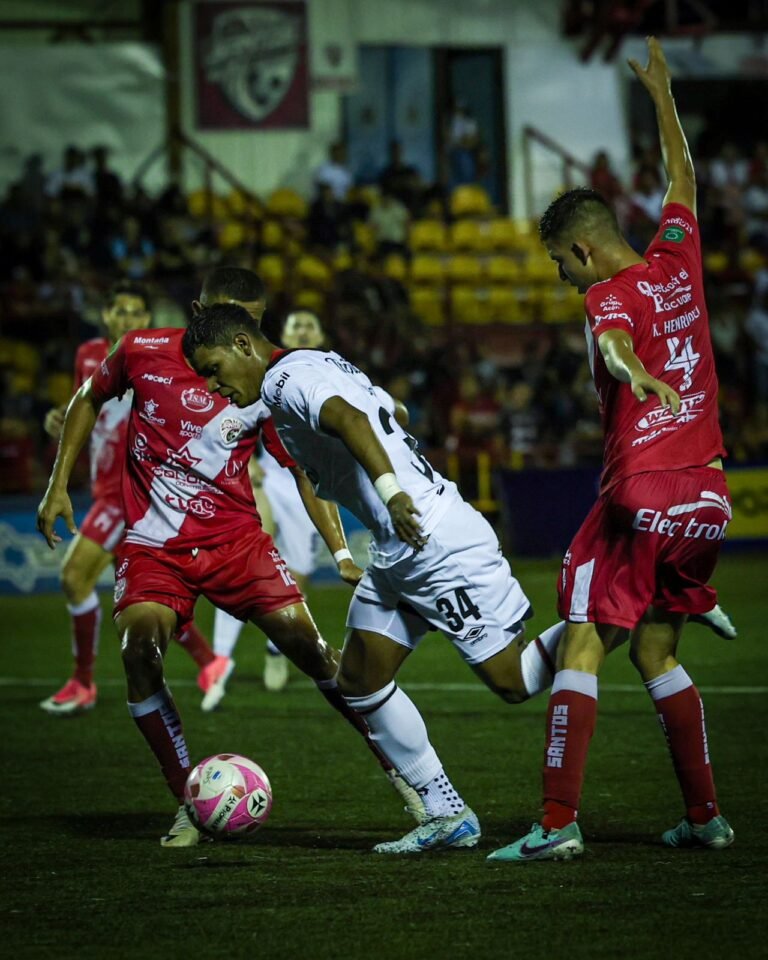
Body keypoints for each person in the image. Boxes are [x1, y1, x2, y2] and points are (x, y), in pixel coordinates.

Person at [36, 267, 421, 848]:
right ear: (200, 311)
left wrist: (339, 549)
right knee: (139, 650)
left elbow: (305, 472)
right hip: (153, 545)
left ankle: (406, 776)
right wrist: (57, 483)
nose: (244, 331)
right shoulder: (141, 351)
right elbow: (88, 398)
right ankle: (188, 802)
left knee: (316, 653)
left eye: (254, 319)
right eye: (230, 313)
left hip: (237, 542)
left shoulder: (269, 380)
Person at [182, 302, 577, 855]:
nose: (215, 385)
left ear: (244, 346)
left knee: (513, 681)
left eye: (215, 369)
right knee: (360, 680)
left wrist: (392, 491)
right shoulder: (315, 367)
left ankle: (613, 612)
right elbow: (393, 412)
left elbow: (352, 418)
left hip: (432, 539)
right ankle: (447, 813)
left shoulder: (287, 378)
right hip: (397, 551)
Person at [487, 38, 734, 863]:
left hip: (643, 490)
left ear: (583, 251)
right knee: (657, 648)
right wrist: (662, 95)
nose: (564, 276)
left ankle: (556, 826)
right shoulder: (678, 258)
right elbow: (683, 179)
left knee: (583, 640)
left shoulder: (606, 292)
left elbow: (618, 343)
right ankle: (706, 818)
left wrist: (638, 378)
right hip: (708, 498)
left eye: (562, 261)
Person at [39, 281, 217, 716]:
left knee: (75, 576)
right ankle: (210, 663)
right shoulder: (87, 355)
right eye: (118, 311)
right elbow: (88, 405)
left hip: (131, 489)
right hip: (102, 483)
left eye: (134, 312)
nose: (125, 319)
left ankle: (83, 682)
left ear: (146, 318)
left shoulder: (153, 354)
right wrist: (59, 419)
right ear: (106, 316)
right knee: (142, 593)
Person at [210, 309, 351, 699]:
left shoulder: (332, 372)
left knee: (298, 572)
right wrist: (249, 458)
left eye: (310, 323)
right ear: (284, 333)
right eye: (295, 324)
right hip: (272, 476)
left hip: (308, 481)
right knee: (249, 552)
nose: (302, 329)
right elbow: (238, 414)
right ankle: (220, 658)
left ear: (321, 333)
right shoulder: (269, 372)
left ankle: (276, 650)